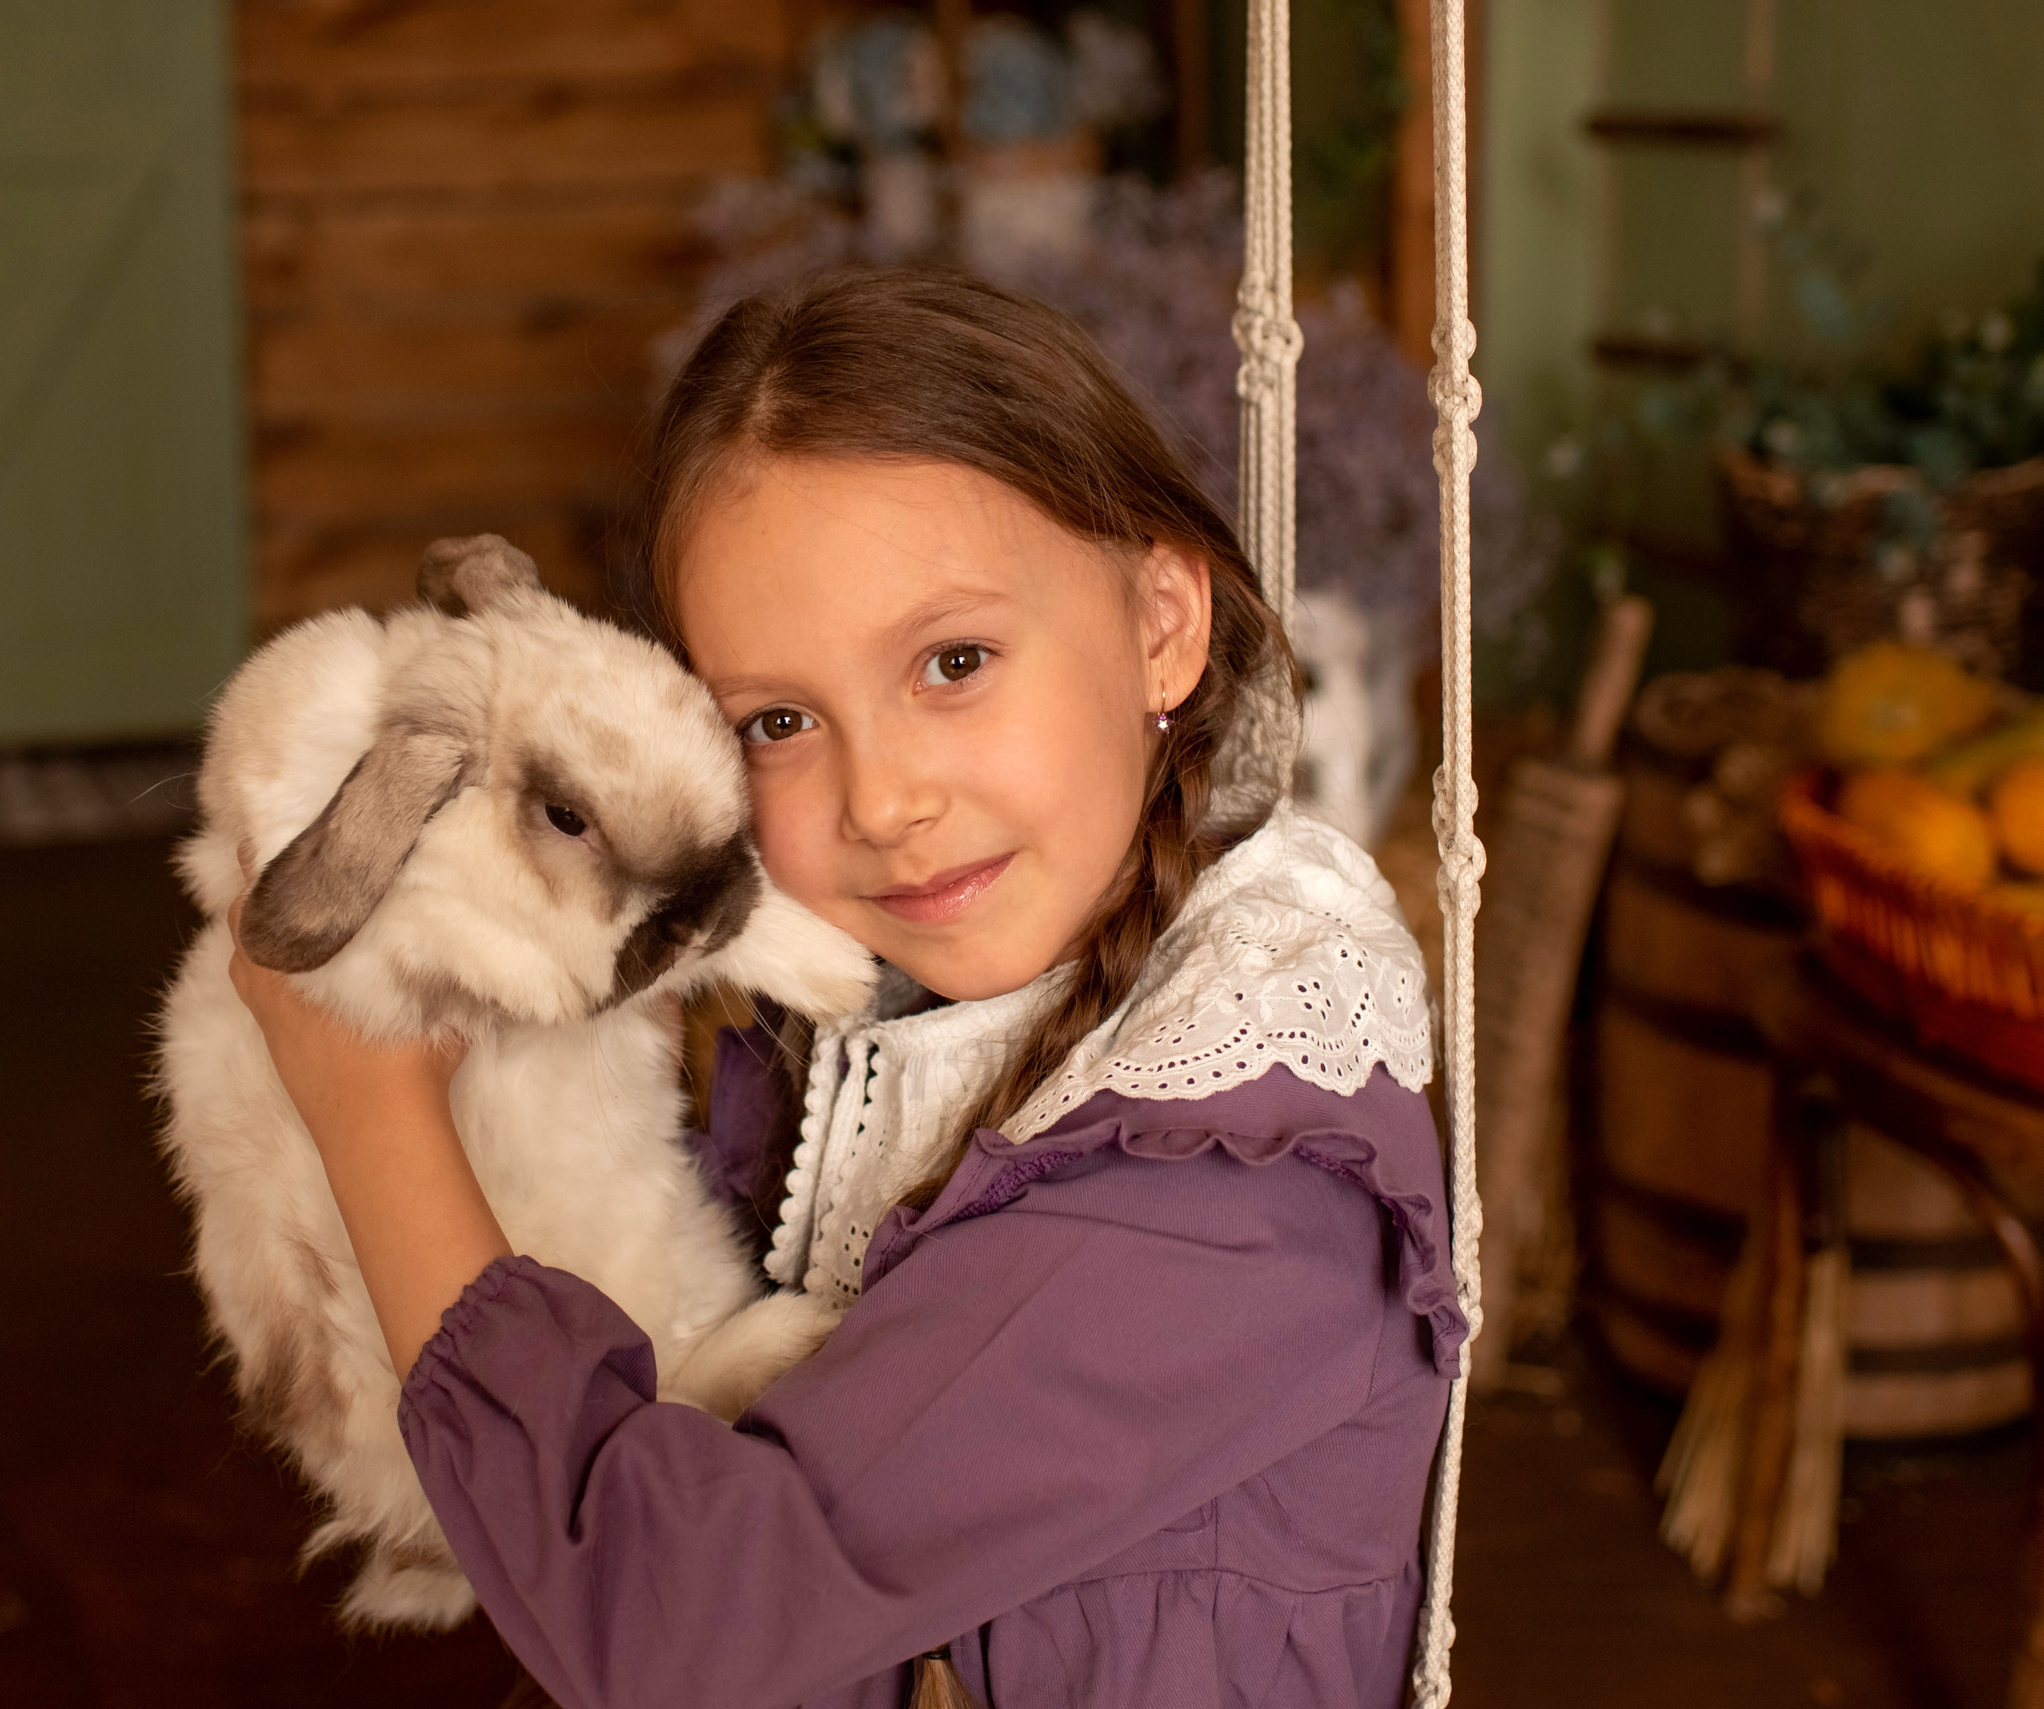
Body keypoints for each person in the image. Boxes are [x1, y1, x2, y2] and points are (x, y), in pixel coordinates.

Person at [225, 269, 1461, 1709]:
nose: (882, 799)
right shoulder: (868, 1031)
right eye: (780, 720)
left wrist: (372, 1101)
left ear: (1163, 623)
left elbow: (679, 1617)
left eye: (954, 660)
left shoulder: (1230, 1180)